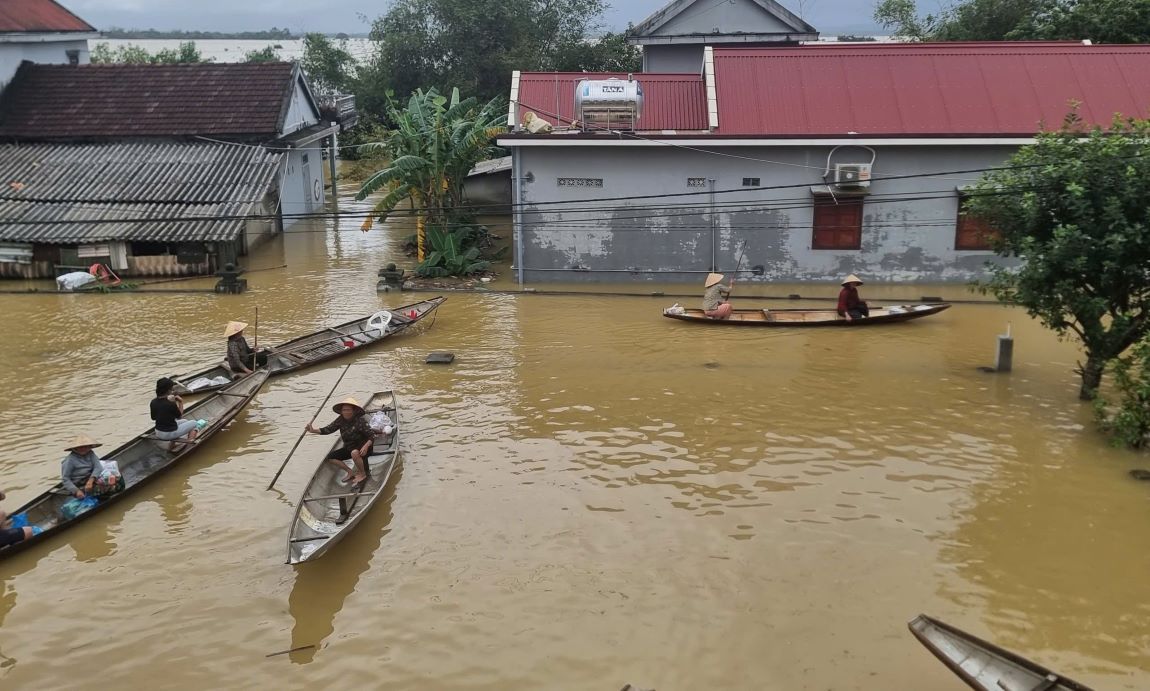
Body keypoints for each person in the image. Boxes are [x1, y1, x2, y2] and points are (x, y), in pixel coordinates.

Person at [305, 397, 375, 486]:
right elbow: (328, 429)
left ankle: (363, 474)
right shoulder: (340, 420)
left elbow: (372, 435)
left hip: (363, 448)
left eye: (348, 410)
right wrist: (313, 430)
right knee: (331, 457)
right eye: (344, 410)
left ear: (353, 411)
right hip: (349, 447)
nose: (346, 412)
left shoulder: (360, 421)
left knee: (354, 453)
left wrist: (366, 446)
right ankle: (350, 472)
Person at [61, 434, 118, 499]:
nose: (83, 449)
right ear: (75, 448)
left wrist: (91, 480)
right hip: (79, 485)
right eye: (80, 447)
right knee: (106, 488)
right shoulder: (69, 460)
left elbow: (98, 467)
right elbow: (65, 479)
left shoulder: (90, 453)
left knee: (115, 479)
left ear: (89, 447)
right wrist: (76, 491)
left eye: (86, 447)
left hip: (91, 479)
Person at [151, 377, 200, 449]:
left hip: (158, 432)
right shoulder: (170, 403)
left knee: (185, 421)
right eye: (172, 389)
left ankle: (171, 446)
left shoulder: (153, 402)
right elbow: (179, 416)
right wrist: (180, 402)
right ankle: (189, 447)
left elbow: (153, 418)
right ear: (169, 390)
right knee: (194, 423)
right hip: (168, 434)